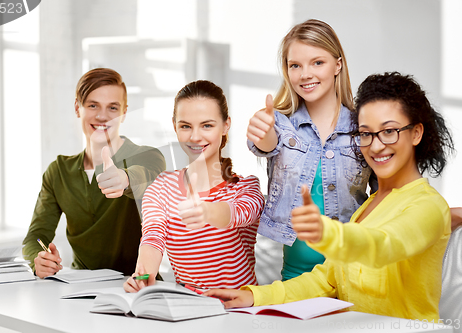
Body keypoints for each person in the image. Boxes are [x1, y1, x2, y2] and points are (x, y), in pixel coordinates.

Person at [206, 72, 454, 321]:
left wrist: (325, 232)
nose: (376, 146)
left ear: (416, 133)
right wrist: (253, 297)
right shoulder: (368, 207)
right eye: (366, 134)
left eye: (389, 131)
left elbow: (384, 245)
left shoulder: (428, 205)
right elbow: (326, 279)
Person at [246, 19, 376, 280]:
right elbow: (268, 143)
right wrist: (262, 133)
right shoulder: (280, 124)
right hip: (296, 276)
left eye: (317, 62)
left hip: (353, 272)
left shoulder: (364, 128)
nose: (305, 74)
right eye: (295, 65)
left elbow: (386, 193)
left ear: (337, 65)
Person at [23, 68, 166, 278]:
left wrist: (125, 179)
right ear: (77, 108)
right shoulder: (59, 172)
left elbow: (146, 177)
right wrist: (38, 258)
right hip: (79, 289)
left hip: (137, 289)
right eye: (92, 105)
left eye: (113, 108)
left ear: (124, 112)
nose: (102, 116)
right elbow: (35, 236)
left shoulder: (148, 157)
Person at [124, 80, 264, 292]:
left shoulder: (245, 187)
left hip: (240, 313)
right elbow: (153, 236)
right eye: (185, 126)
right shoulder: (161, 188)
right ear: (175, 126)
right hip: (188, 310)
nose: (195, 137)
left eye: (207, 125)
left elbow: (241, 213)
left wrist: (207, 211)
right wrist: (143, 275)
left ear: (226, 125)